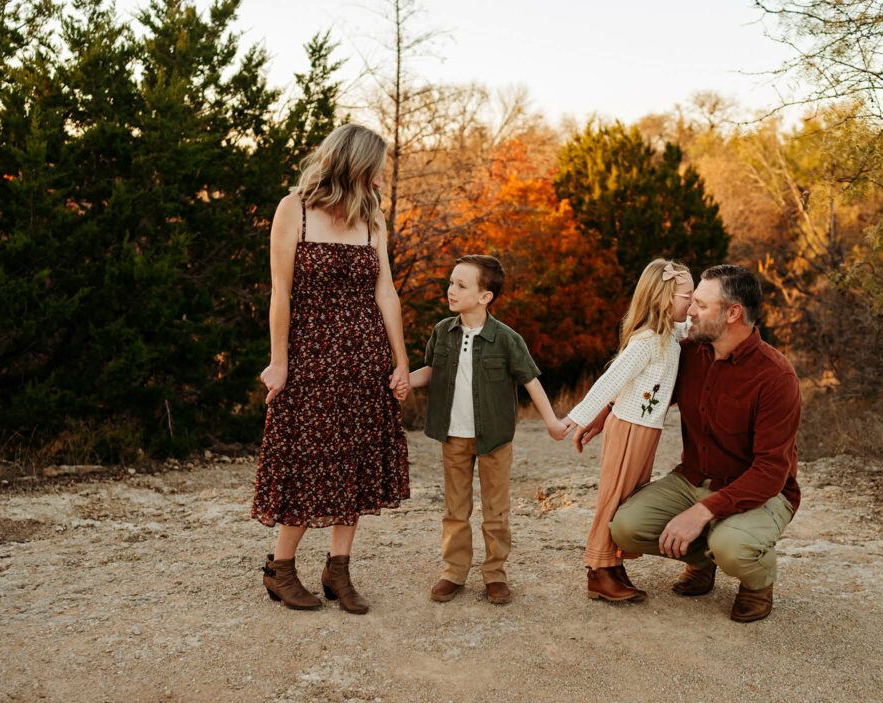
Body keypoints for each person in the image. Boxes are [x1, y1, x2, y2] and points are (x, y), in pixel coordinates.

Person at [575, 265, 801, 622]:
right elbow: (647, 384)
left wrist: (701, 513)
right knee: (626, 527)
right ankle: (701, 561)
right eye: (690, 301)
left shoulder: (776, 376)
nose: (690, 312)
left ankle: (757, 582)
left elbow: (771, 472)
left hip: (759, 491)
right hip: (692, 478)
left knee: (732, 547)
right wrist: (609, 408)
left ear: (732, 314)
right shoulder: (687, 354)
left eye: (700, 305)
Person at [251, 123, 411, 614]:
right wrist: (279, 362)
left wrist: (401, 360)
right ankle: (280, 570)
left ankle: (337, 570)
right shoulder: (292, 208)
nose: (380, 182)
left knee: (355, 461)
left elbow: (385, 291)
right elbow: (281, 292)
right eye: (374, 173)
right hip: (310, 358)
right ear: (352, 166)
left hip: (365, 360)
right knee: (306, 461)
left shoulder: (372, 217)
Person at [409, 255, 571, 605]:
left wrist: (552, 422)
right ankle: (453, 572)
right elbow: (432, 371)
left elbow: (531, 381)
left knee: (496, 511)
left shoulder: (507, 339)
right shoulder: (442, 332)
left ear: (485, 297)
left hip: (495, 439)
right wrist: (404, 382)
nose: (451, 290)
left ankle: (495, 574)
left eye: (461, 285)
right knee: (455, 508)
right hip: (453, 435)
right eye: (451, 282)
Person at [563, 259, 693, 602]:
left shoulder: (671, 335)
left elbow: (694, 326)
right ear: (665, 299)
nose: (692, 304)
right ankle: (598, 570)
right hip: (630, 429)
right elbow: (612, 381)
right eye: (687, 296)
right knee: (614, 498)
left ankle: (614, 563)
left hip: (647, 430)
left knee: (629, 498)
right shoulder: (647, 341)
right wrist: (579, 417)